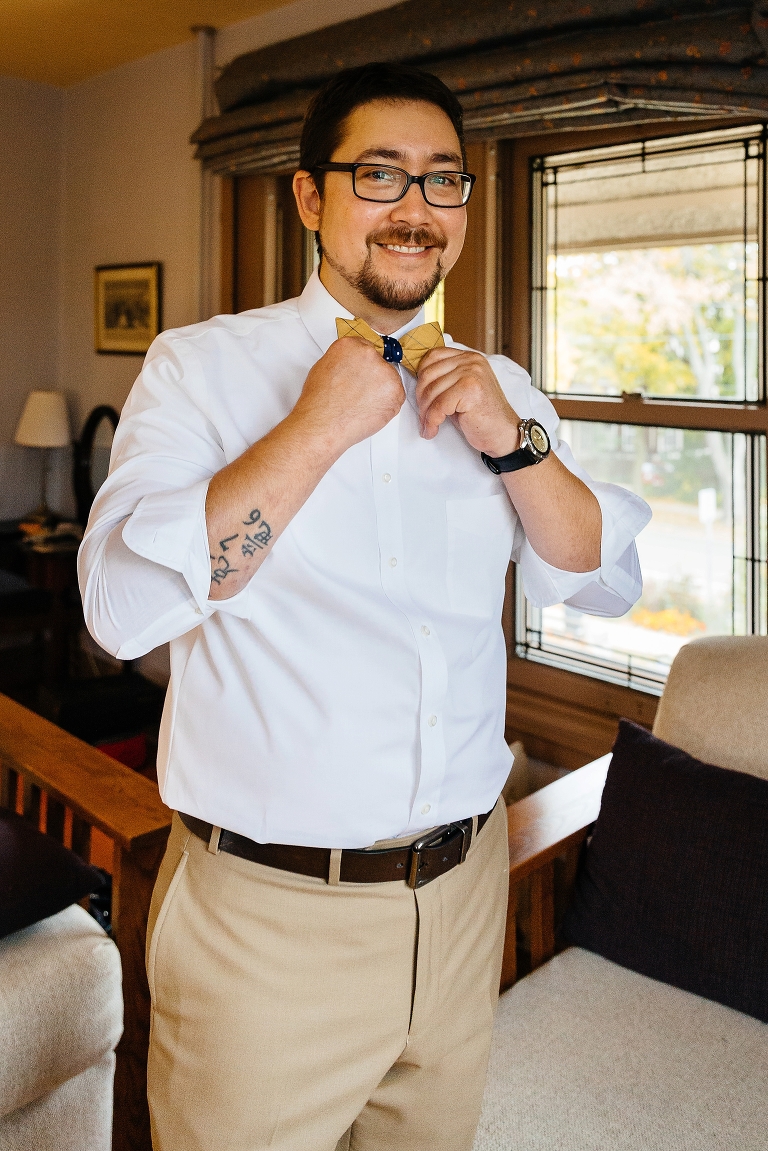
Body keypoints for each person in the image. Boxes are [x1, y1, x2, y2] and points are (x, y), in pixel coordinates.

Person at [79, 62, 650, 1151]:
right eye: (380, 175)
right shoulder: (200, 370)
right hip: (268, 921)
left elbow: (596, 573)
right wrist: (313, 430)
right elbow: (118, 609)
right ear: (311, 199)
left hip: (465, 890)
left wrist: (513, 439)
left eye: (445, 182)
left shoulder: (504, 385)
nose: (417, 210)